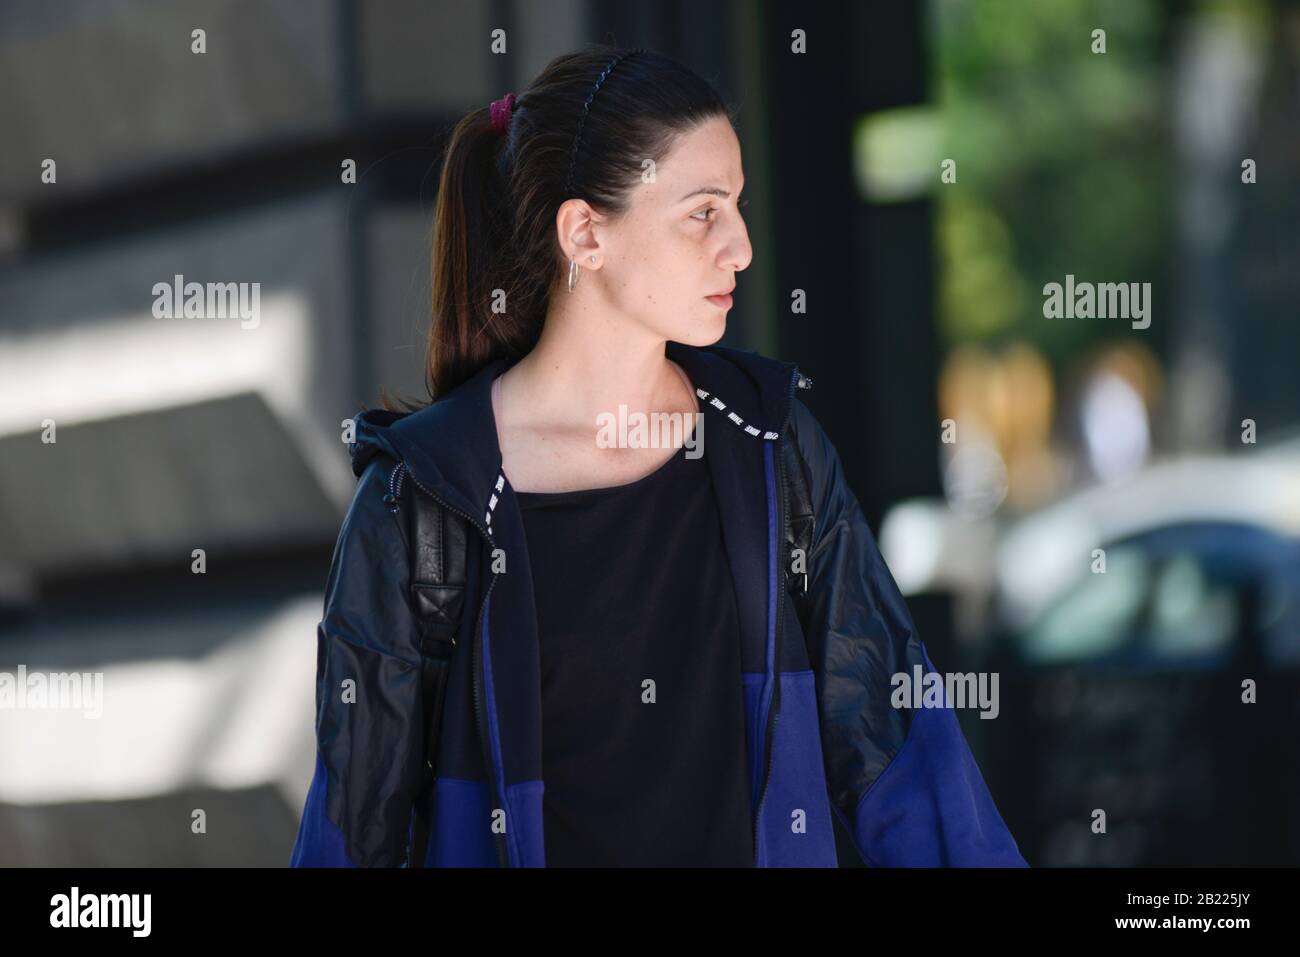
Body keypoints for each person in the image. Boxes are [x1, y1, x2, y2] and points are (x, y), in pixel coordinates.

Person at [290, 44, 1027, 868]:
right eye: (702, 211)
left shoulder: (770, 448)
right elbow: (352, 828)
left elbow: (906, 757)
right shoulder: (422, 501)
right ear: (586, 234)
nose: (741, 247)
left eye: (737, 206)